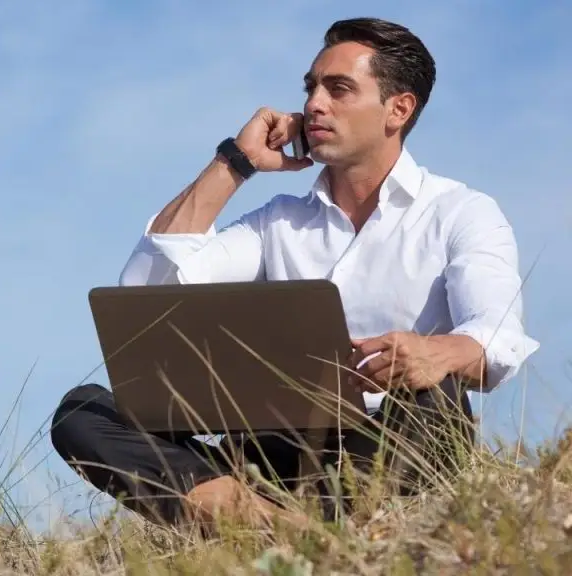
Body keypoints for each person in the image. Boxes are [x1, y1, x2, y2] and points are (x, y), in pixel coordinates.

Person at [50, 17, 539, 531]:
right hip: (268, 454)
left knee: (438, 397)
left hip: (386, 446)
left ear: (398, 108)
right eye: (311, 87)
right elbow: (148, 297)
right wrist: (236, 163)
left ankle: (308, 528)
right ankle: (269, 525)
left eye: (339, 88)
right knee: (82, 412)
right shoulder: (275, 221)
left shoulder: (461, 211)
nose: (313, 104)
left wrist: (436, 353)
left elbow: (499, 334)